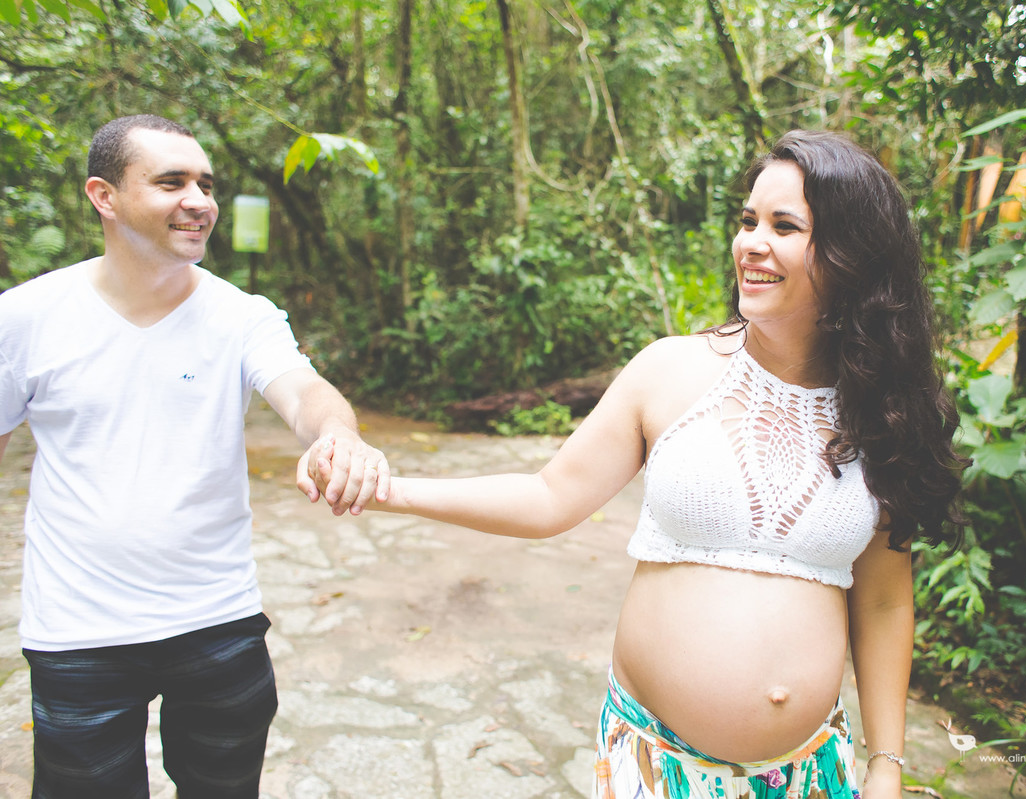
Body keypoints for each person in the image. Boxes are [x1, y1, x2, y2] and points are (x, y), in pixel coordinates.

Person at [306, 129, 966, 799]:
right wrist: (388, 489)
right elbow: (547, 496)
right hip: (654, 765)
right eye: (747, 220)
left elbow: (883, 598)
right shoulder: (671, 371)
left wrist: (885, 763)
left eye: (784, 225)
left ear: (852, 256)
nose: (750, 243)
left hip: (810, 773)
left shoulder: (881, 412)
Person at [0, 114, 391, 798]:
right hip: (76, 629)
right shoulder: (28, 316)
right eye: (172, 181)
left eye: (206, 183)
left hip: (217, 620)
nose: (200, 200)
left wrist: (340, 435)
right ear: (105, 196)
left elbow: (306, 394)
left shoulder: (242, 316)